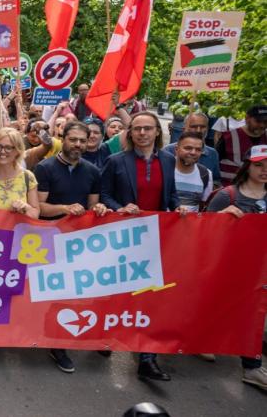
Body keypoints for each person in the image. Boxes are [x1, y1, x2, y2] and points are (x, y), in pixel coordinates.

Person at [100, 111, 179, 382]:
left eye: (148, 128)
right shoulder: (115, 161)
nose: (142, 133)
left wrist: (177, 207)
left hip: (155, 238)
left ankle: (147, 358)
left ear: (158, 132)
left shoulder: (169, 160)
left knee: (149, 296)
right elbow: (104, 195)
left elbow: (170, 194)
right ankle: (106, 335)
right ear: (130, 133)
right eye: (137, 129)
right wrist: (120, 208)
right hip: (122, 237)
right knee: (116, 291)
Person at [34, 121, 111, 373]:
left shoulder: (93, 171)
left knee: (70, 296)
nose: (77, 145)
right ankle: (41, 338)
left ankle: (62, 342)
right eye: (72, 139)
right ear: (63, 138)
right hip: (48, 239)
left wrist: (98, 210)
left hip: (79, 243)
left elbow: (92, 206)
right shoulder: (44, 168)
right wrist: (65, 209)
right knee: (44, 293)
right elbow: (40, 208)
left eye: (82, 140)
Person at [0, 127, 40, 375]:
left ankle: (5, 336)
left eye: (8, 147)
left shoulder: (27, 178)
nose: (2, 151)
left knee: (9, 296)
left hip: (16, 248)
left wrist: (24, 207)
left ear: (17, 151)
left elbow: (36, 213)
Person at [206, 144, 267, 389]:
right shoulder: (227, 195)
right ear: (248, 166)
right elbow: (202, 231)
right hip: (229, 268)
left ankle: (251, 367)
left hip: (260, 272)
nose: (264, 170)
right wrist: (221, 219)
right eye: (259, 165)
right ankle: (206, 340)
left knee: (255, 315)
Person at [163, 112, 220, 186]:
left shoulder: (212, 154)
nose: (199, 130)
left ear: (208, 129)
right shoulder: (168, 151)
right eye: (194, 126)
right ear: (184, 129)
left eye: (202, 127)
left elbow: (216, 181)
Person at [216, 105, 266, 186]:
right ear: (247, 118)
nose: (262, 125)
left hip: (260, 191)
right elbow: (214, 161)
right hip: (230, 190)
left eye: (266, 122)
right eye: (258, 121)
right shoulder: (229, 137)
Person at [173, 132, 213, 212]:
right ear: (176, 149)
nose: (193, 152)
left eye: (198, 149)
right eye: (188, 148)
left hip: (191, 223)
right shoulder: (163, 168)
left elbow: (204, 205)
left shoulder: (205, 174)